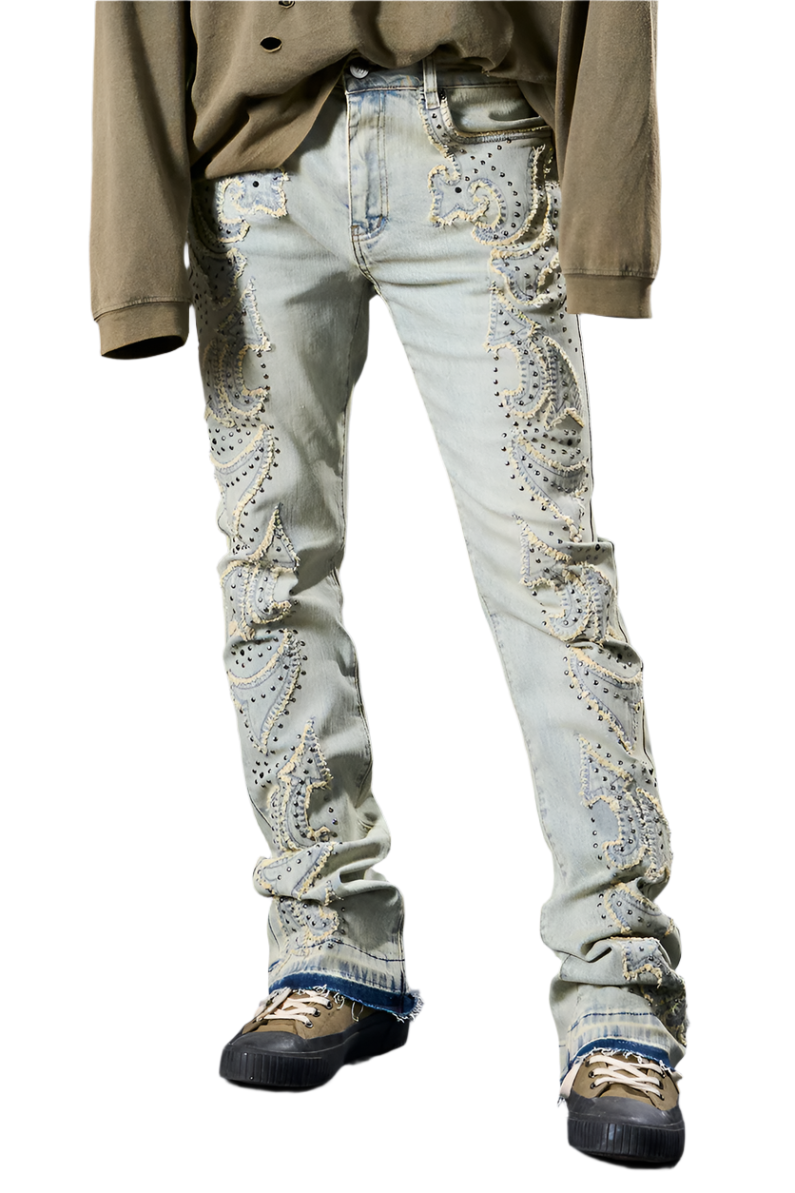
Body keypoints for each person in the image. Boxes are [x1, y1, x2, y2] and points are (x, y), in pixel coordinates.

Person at [90, 0, 686, 1166]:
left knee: (551, 581)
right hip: (255, 175)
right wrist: (132, 259)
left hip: (480, 142)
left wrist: (611, 222)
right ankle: (327, 942)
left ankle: (619, 990)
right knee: (271, 575)